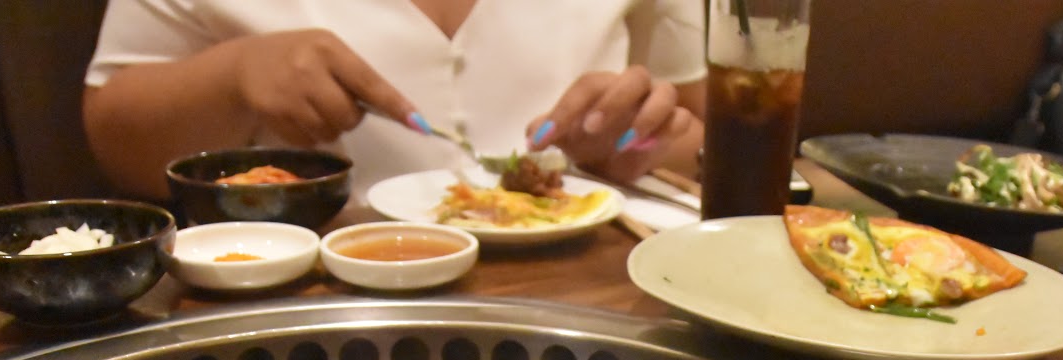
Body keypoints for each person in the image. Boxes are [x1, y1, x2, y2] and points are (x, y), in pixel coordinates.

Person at [82, 0, 707, 201]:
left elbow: (707, 137)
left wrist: (640, 145)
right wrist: (234, 76)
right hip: (305, 312)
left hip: (588, 305)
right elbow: (117, 139)